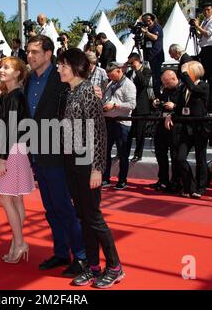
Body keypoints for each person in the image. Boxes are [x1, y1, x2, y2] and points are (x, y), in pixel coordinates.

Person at [57, 48, 125, 288]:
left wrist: (98, 168)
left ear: (75, 67)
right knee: (83, 216)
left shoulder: (88, 92)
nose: (59, 69)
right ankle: (94, 266)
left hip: (87, 162)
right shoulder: (70, 92)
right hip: (72, 161)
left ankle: (115, 266)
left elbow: (99, 131)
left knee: (93, 216)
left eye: (63, 65)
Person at [25, 35, 87, 276]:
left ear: (48, 54)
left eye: (35, 52)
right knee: (50, 208)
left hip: (59, 153)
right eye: (28, 52)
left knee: (64, 207)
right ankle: (61, 252)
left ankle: (81, 256)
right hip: (37, 152)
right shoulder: (29, 79)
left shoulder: (61, 77)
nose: (29, 56)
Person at [0, 56, 35, 263]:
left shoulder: (14, 96)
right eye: (1, 66)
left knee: (5, 198)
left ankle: (19, 243)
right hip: (19, 150)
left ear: (18, 73)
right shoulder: (14, 95)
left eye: (7, 67)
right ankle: (16, 242)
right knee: (16, 198)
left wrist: (2, 159)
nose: (2, 70)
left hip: (12, 151)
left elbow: (9, 130)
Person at [165, 61, 209, 198]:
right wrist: (170, 116)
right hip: (186, 127)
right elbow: (179, 107)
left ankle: (201, 188)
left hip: (199, 127)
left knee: (200, 158)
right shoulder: (184, 88)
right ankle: (190, 185)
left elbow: (194, 90)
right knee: (180, 157)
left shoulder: (203, 85)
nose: (184, 74)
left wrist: (184, 73)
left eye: (187, 72)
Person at [101, 61, 136, 190]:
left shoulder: (129, 85)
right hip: (109, 121)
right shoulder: (111, 84)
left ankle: (122, 179)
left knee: (123, 153)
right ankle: (106, 178)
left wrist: (115, 105)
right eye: (109, 75)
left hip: (122, 123)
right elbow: (106, 99)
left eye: (112, 75)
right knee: (105, 152)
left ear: (119, 71)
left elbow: (132, 105)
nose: (110, 77)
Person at [150, 70, 183, 192]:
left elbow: (186, 105)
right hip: (162, 123)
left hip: (175, 124)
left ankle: (176, 181)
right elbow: (162, 101)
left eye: (166, 83)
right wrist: (157, 102)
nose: (165, 85)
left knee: (175, 155)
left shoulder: (183, 88)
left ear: (174, 79)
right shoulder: (166, 90)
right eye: (163, 83)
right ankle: (163, 180)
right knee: (160, 153)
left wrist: (174, 106)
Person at [125, 52, 153, 163]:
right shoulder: (129, 72)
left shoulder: (146, 70)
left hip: (141, 106)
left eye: (132, 63)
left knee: (140, 133)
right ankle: (123, 153)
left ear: (137, 61)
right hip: (130, 106)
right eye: (129, 63)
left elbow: (144, 83)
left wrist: (137, 70)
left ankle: (138, 154)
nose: (131, 65)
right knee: (128, 132)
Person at [194, 3, 212, 103]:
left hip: (211, 48)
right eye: (204, 10)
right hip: (204, 49)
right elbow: (200, 36)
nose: (206, 12)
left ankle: (211, 98)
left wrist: (197, 26)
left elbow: (207, 33)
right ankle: (204, 95)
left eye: (208, 10)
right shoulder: (204, 21)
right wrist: (194, 28)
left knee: (209, 74)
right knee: (203, 73)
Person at [141, 13, 165, 96]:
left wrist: (146, 33)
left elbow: (155, 37)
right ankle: (151, 95)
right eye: (145, 21)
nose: (147, 22)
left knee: (156, 77)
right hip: (148, 56)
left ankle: (158, 95)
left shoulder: (156, 27)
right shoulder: (147, 28)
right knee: (149, 76)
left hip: (156, 56)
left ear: (152, 19)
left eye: (148, 20)